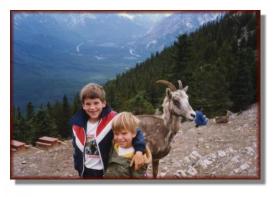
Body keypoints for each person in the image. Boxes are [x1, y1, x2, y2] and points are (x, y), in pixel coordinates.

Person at [69, 83, 146, 178]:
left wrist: (139, 151)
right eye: (88, 104)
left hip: (106, 169)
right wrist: (78, 166)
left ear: (104, 103)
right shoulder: (77, 125)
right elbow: (76, 148)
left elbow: (136, 132)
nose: (92, 107)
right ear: (83, 106)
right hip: (85, 171)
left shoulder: (113, 118)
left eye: (96, 103)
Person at [104, 112, 152, 178]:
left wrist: (139, 153)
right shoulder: (114, 146)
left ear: (134, 133)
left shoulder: (138, 157)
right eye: (116, 134)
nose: (120, 137)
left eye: (124, 133)